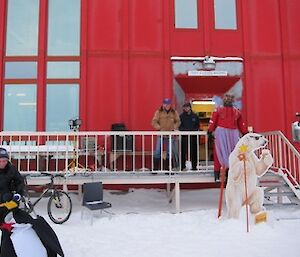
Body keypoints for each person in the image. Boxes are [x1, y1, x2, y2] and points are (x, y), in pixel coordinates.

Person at [208, 93, 248, 182]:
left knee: (220, 152)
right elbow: (241, 125)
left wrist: (210, 131)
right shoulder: (237, 111)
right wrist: (245, 133)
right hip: (232, 134)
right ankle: (228, 172)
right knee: (231, 152)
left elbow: (213, 121)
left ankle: (218, 173)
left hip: (222, 132)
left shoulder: (218, 110)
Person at [151, 98, 180, 170]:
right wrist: (159, 128)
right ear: (163, 104)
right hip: (161, 134)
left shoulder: (174, 112)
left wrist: (174, 127)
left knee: (169, 152)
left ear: (170, 104)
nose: (167, 105)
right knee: (157, 151)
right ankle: (155, 169)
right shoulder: (158, 112)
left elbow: (178, 121)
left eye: (168, 104)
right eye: (165, 104)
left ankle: (168, 168)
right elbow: (154, 121)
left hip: (170, 135)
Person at [179, 102, 200, 170]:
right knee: (183, 151)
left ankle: (194, 166)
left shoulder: (195, 116)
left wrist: (192, 131)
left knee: (194, 151)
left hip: (193, 137)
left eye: (187, 107)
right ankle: (182, 166)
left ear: (190, 107)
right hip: (184, 137)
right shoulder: (181, 116)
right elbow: (180, 126)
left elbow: (197, 126)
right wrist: (185, 131)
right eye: (184, 107)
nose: (186, 108)